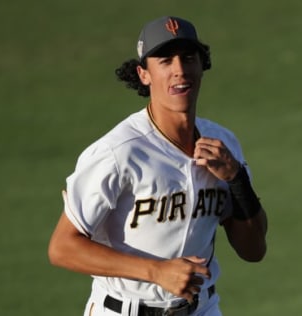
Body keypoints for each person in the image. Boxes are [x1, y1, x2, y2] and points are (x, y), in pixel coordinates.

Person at [48, 16, 268, 316]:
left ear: (201, 66)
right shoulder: (118, 152)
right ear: (144, 74)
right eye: (165, 61)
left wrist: (236, 179)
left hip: (202, 309)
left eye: (189, 58)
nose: (180, 70)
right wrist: (156, 271)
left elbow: (253, 250)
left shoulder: (223, 145)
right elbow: (62, 247)